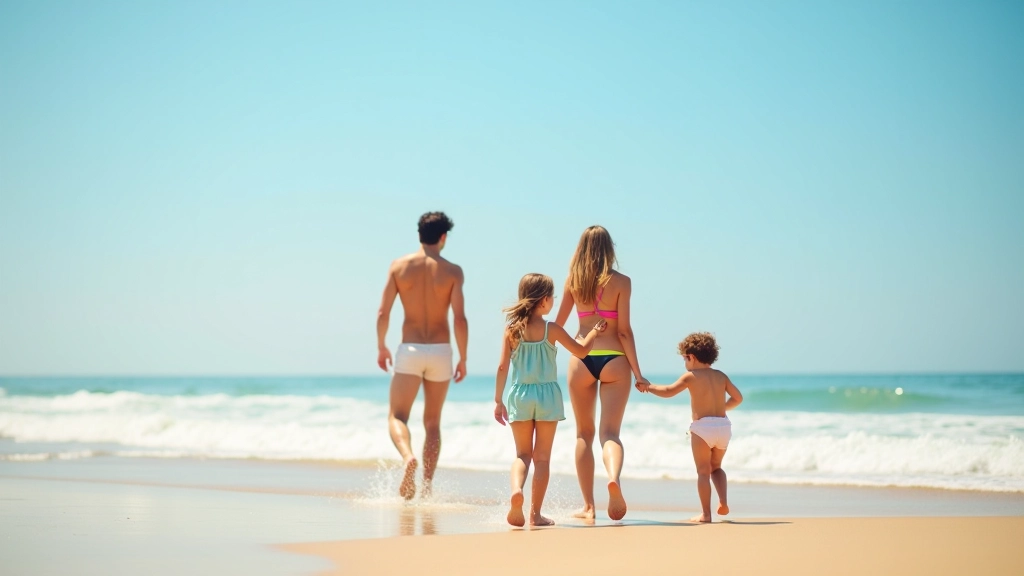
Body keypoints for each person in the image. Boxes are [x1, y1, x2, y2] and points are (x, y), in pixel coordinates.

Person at [494, 273, 607, 527]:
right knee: (542, 458)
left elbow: (502, 368)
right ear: (544, 300)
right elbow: (581, 351)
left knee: (522, 455)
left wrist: (498, 400)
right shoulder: (551, 329)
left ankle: (517, 490)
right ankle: (535, 514)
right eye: (553, 296)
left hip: (520, 395)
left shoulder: (512, 330)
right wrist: (594, 333)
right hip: (547, 397)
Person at [554, 225, 648, 521]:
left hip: (581, 358)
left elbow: (556, 327)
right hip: (615, 360)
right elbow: (624, 331)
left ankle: (588, 506)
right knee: (610, 434)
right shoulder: (622, 282)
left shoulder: (572, 281)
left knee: (583, 434)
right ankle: (614, 480)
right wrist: (637, 372)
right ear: (609, 249)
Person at [376, 212, 468, 500]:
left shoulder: (399, 267)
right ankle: (426, 487)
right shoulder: (453, 271)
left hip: (410, 349)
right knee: (432, 423)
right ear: (443, 238)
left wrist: (382, 346)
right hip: (441, 351)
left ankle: (407, 458)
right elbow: (460, 319)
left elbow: (383, 312)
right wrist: (463, 358)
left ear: (419, 235)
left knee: (398, 415)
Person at [636, 332, 744, 523]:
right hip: (723, 427)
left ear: (691, 357)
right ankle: (723, 501)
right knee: (716, 467)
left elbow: (668, 392)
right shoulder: (721, 376)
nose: (684, 363)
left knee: (703, 471)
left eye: (684, 358)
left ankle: (706, 514)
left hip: (702, 428)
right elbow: (738, 398)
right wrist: (720, 408)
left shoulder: (690, 377)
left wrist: (648, 387)